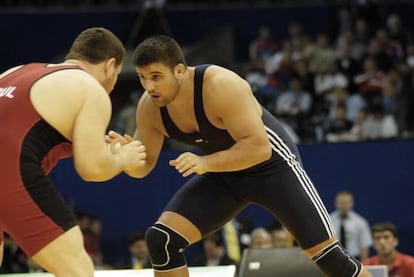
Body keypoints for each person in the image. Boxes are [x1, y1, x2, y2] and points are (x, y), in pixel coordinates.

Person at [109, 34, 373, 277]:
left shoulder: (220, 85)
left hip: (273, 168)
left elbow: (259, 149)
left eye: (156, 76)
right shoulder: (150, 108)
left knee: (332, 260)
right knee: (162, 240)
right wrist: (123, 158)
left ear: (179, 70)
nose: (149, 86)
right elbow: (142, 167)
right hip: (226, 174)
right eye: (143, 77)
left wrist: (205, 162)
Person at [0, 27, 147, 277]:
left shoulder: (16, 72)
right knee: (77, 270)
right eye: (118, 74)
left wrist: (98, 145)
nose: (112, 85)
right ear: (111, 65)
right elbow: (91, 169)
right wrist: (123, 158)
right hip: (8, 175)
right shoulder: (90, 89)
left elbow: (27, 130)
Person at [329, 190, 372, 262]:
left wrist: (364, 265)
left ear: (351, 203)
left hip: (354, 259)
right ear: (336, 203)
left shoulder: (360, 222)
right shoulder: (329, 220)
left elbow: (364, 246)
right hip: (334, 259)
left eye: (346, 203)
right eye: (341, 203)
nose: (343, 205)